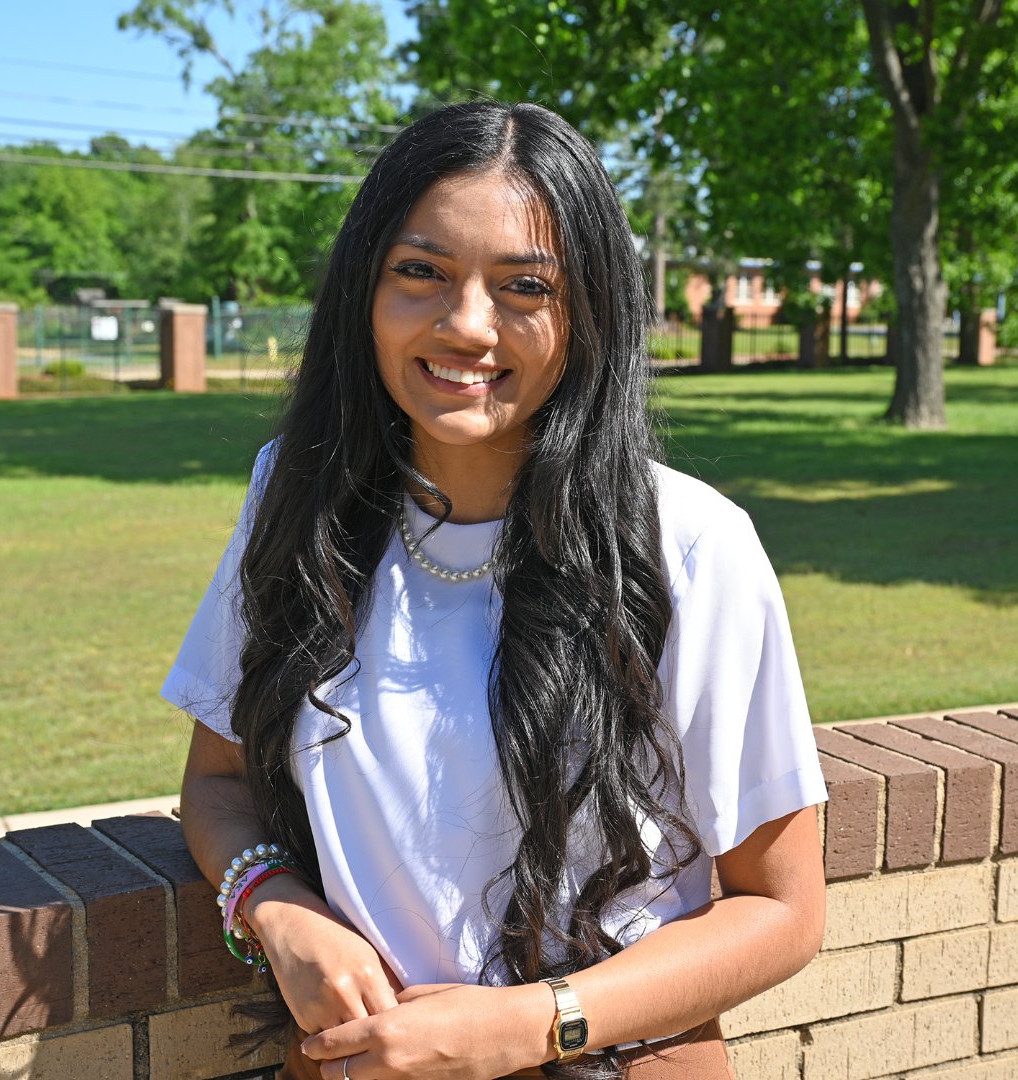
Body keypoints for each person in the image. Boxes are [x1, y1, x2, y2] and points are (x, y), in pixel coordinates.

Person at [163, 101, 828, 1079]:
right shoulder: (294, 498)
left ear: (589, 310)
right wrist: (278, 908)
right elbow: (216, 787)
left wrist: (530, 1024)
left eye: (525, 287)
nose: (467, 325)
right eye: (422, 273)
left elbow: (783, 909)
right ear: (365, 290)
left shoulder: (687, 547)